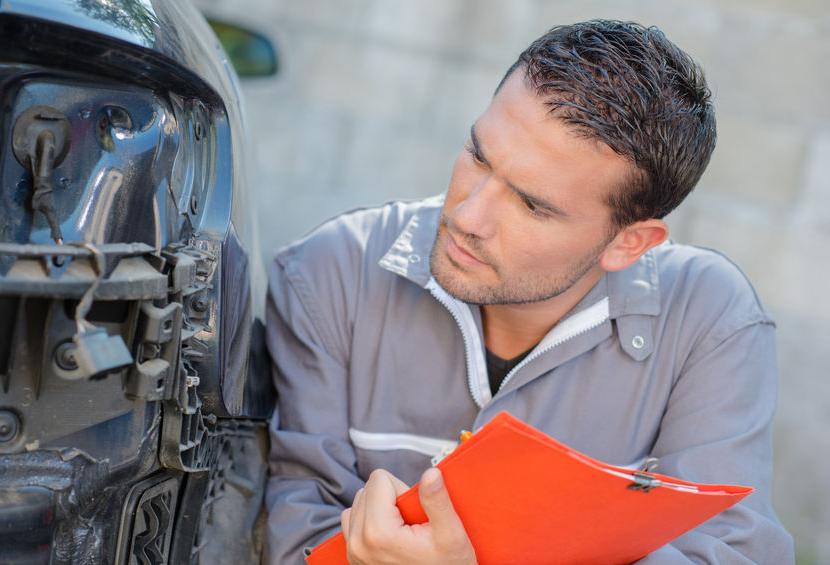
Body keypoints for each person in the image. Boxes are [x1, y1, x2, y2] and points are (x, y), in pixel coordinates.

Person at [264, 19, 794, 564]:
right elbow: (286, 541)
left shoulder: (710, 321)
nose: (467, 217)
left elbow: (731, 555)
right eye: (478, 155)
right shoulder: (328, 273)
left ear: (629, 243)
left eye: (533, 205)